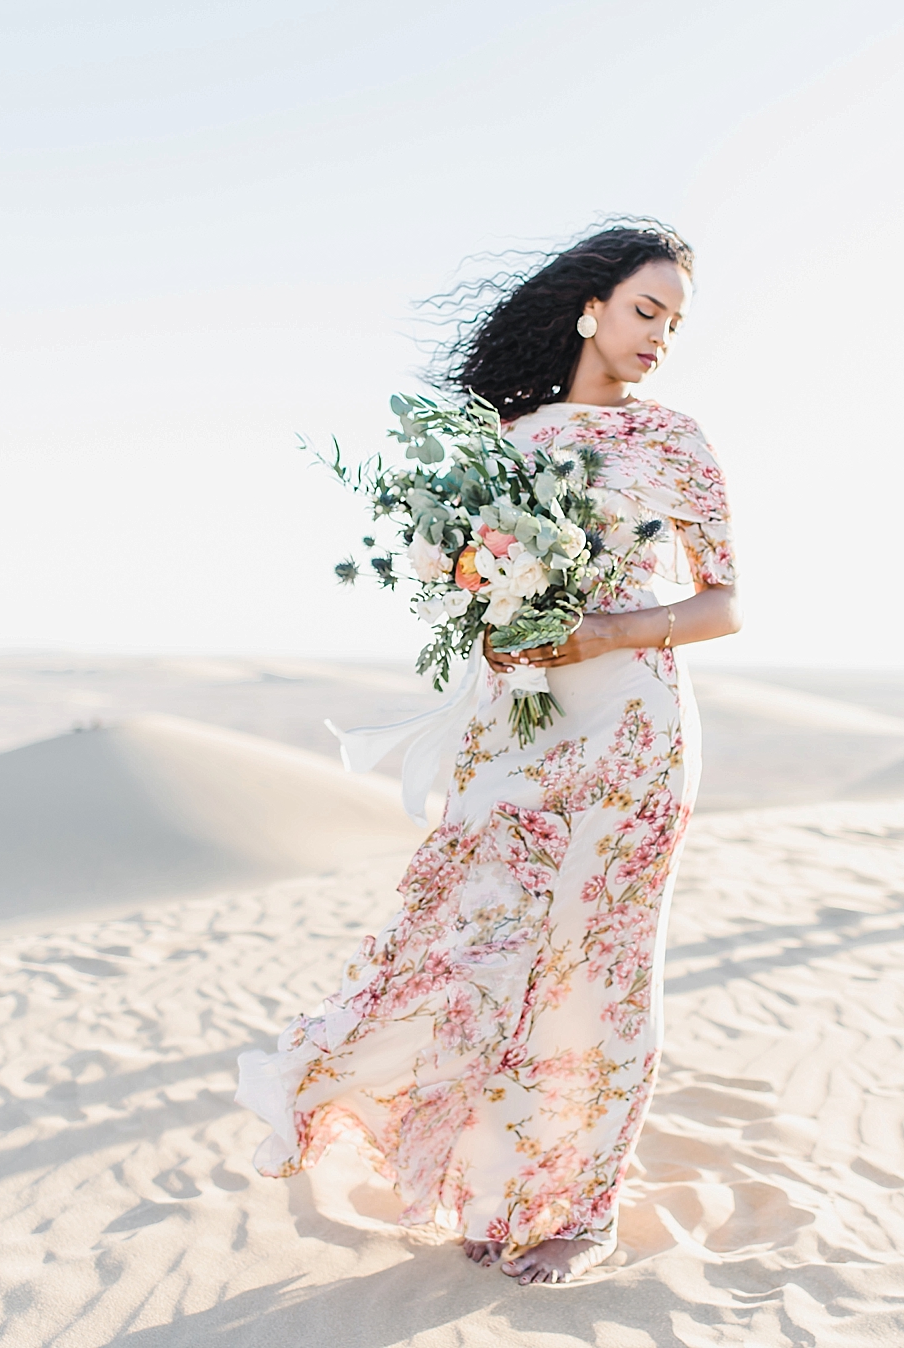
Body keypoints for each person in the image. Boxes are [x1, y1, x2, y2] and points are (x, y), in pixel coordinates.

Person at [236, 222, 741, 1286]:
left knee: (604, 966)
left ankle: (586, 1207)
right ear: (589, 306)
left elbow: (722, 603)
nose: (660, 337)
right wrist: (495, 609)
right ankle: (502, 1186)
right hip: (524, 723)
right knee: (493, 950)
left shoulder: (676, 441)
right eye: (647, 311)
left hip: (638, 727)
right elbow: (471, 595)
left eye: (676, 323)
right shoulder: (502, 443)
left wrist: (604, 629)